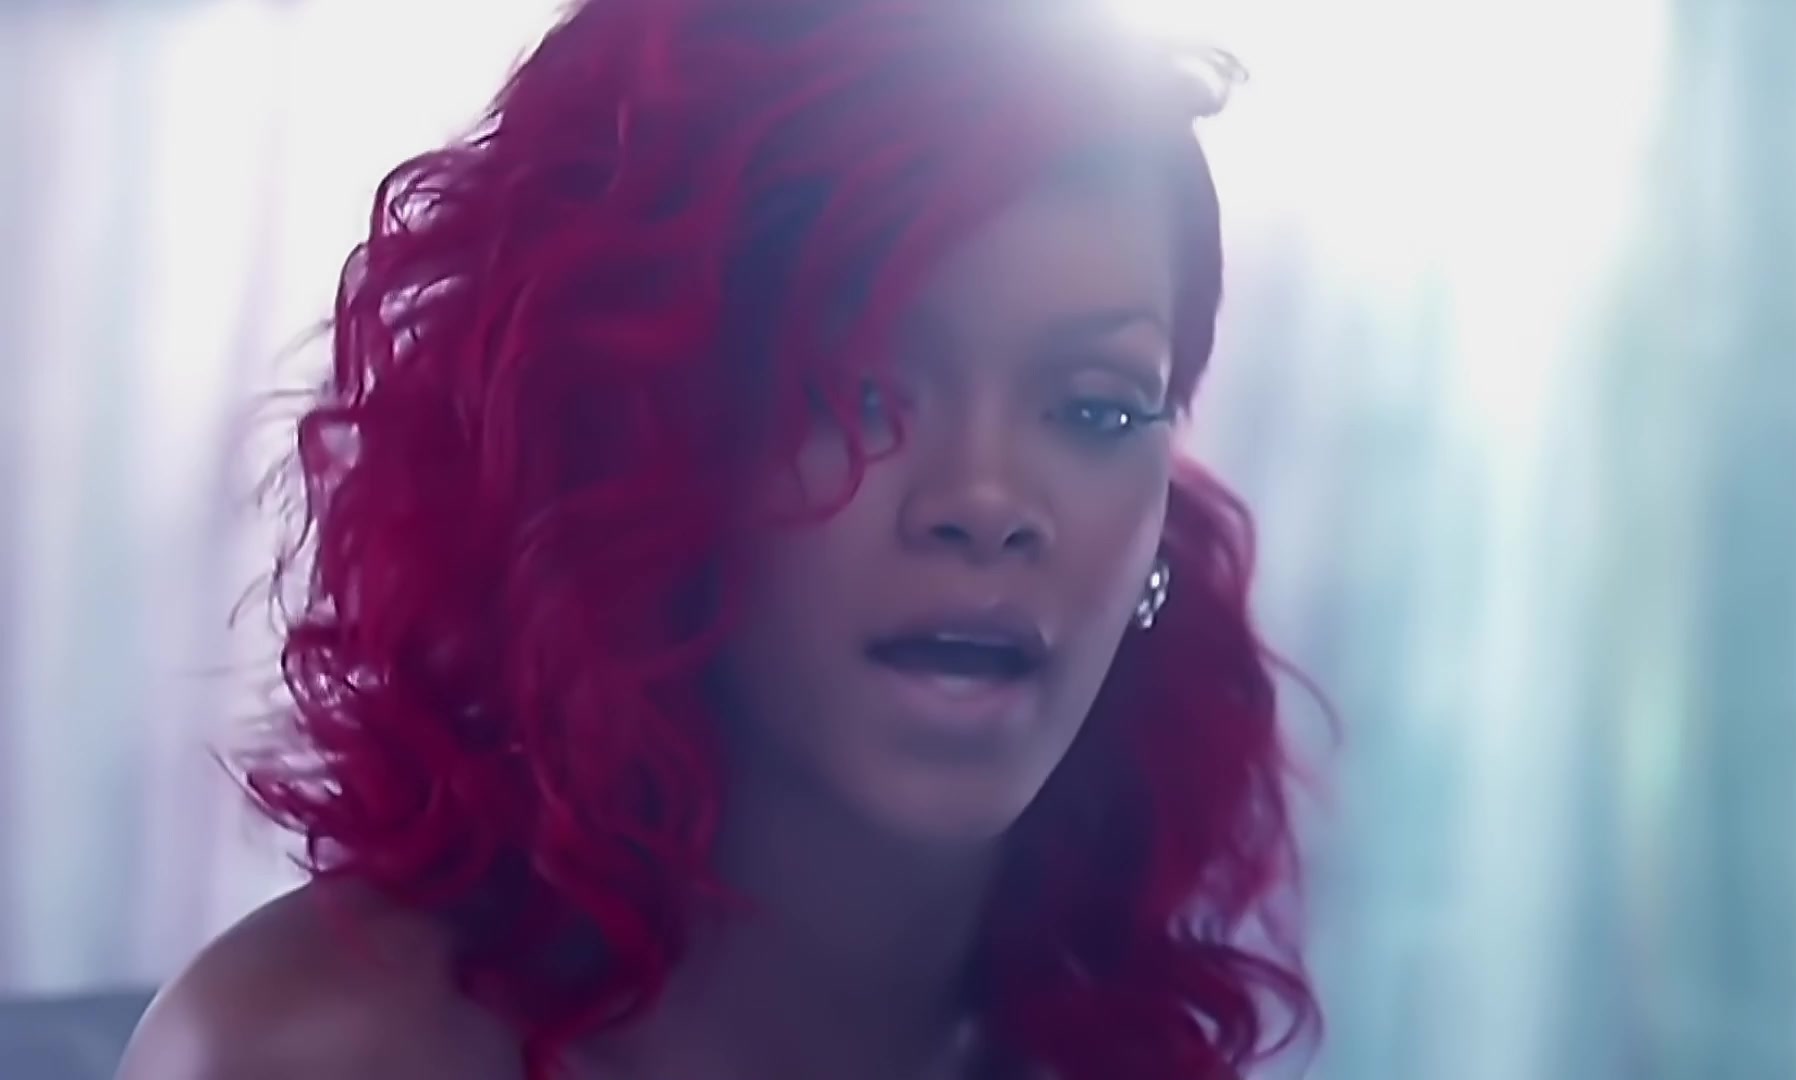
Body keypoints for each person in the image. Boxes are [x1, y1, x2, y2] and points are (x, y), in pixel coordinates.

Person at [118, 0, 1320, 1077]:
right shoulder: (319, 1056)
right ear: (630, 438)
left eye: (1097, 410)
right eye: (854, 393)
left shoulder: (1115, 1052)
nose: (987, 500)